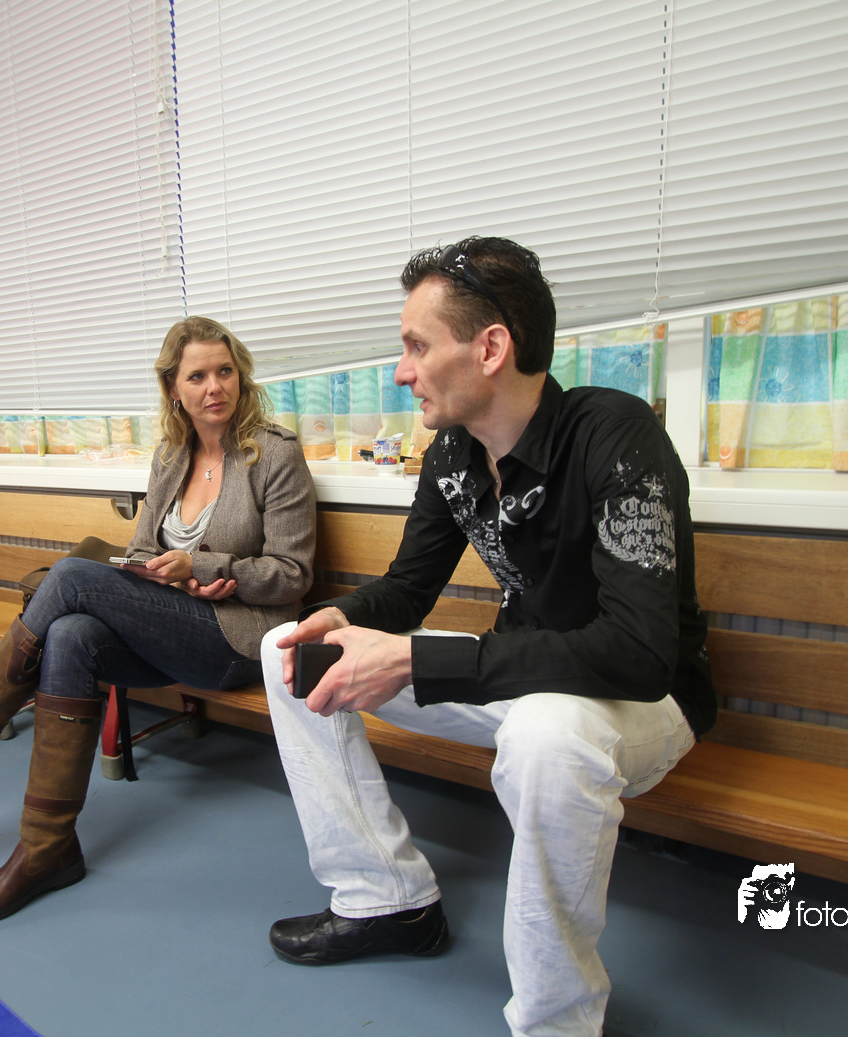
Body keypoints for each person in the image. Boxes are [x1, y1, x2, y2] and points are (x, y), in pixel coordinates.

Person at [262, 237, 715, 1037]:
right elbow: (408, 589)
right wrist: (345, 617)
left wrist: (416, 656)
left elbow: (640, 655)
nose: (400, 371)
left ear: (490, 348)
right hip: (522, 681)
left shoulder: (615, 434)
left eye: (415, 346)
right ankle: (385, 898)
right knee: (291, 652)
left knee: (546, 732)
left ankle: (556, 1023)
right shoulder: (452, 453)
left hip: (642, 703)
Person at [0, 315, 316, 927]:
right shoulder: (171, 455)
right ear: (174, 387)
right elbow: (143, 549)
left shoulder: (273, 453)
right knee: (70, 634)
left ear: (241, 376)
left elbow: (293, 574)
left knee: (69, 576)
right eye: (197, 376)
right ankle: (47, 849)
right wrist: (159, 573)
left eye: (224, 371)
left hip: (236, 639)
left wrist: (205, 566)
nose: (214, 387)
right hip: (169, 625)